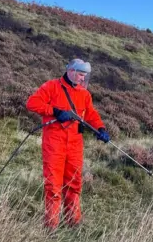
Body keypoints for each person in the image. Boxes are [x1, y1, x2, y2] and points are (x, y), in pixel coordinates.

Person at [26, 59, 110, 230]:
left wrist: (100, 128)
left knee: (74, 183)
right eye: (80, 74)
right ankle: (51, 226)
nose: (82, 79)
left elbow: (91, 114)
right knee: (54, 185)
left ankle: (73, 223)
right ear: (70, 71)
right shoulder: (51, 87)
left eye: (85, 76)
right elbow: (32, 103)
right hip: (54, 144)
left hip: (75, 145)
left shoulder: (85, 94)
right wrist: (55, 111)